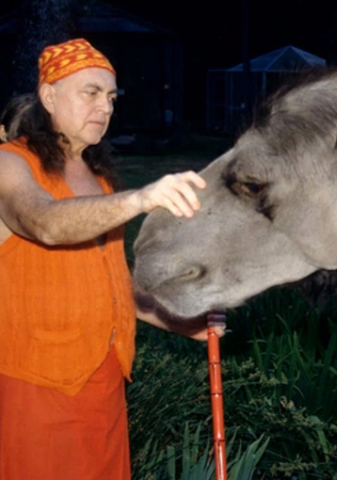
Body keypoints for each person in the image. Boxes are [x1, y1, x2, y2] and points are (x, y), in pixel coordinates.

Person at [0, 38, 216, 480]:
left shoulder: (98, 179)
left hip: (105, 388)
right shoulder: (9, 163)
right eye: (91, 92)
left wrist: (180, 319)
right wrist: (140, 198)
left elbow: (110, 282)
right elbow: (43, 222)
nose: (106, 106)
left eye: (112, 97)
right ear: (49, 96)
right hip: (36, 385)